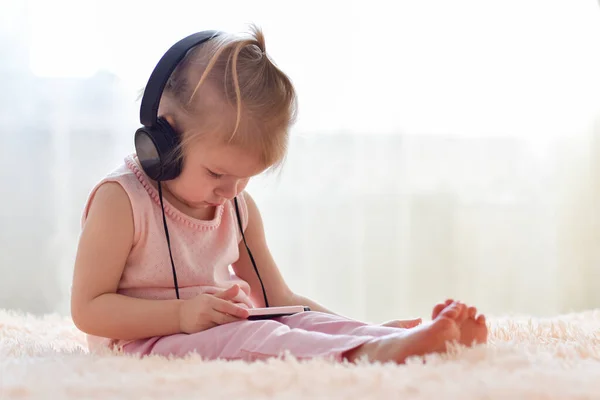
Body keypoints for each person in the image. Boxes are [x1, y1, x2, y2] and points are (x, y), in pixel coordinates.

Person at [70, 25, 488, 364]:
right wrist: (181, 315)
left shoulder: (236, 206)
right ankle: (369, 354)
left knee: (288, 321)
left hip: (222, 328)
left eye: (245, 178)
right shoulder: (121, 201)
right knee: (259, 333)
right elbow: (88, 309)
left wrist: (360, 324)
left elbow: (280, 301)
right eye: (217, 173)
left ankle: (380, 341)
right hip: (140, 344)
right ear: (163, 139)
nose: (231, 191)